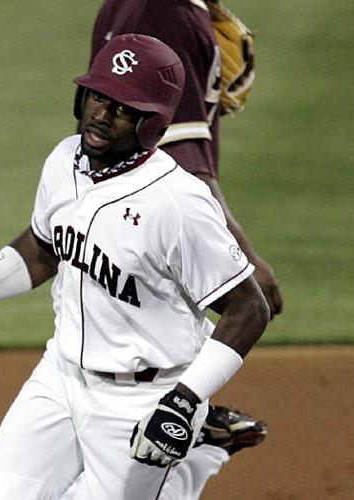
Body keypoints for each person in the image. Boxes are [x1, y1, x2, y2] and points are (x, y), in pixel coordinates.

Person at [0, 34, 270, 499]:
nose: (101, 113)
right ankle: (195, 446)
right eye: (98, 96)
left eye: (121, 107)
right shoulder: (64, 160)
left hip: (145, 397)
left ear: (150, 122)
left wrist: (183, 401)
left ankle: (197, 450)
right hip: (59, 375)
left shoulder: (177, 205)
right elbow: (42, 247)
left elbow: (248, 308)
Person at [85, 0, 282, 474]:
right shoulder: (165, 14)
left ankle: (190, 411)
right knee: (250, 297)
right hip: (144, 212)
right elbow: (181, 157)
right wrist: (246, 255)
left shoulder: (130, 5)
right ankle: (190, 416)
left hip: (110, 208)